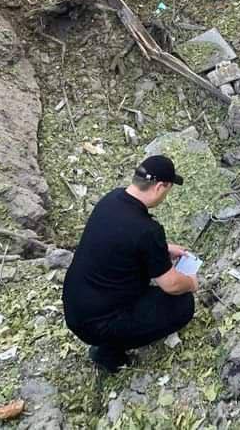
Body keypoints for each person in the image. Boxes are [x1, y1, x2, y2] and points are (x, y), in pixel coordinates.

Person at [63, 155, 198, 373]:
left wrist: (162, 249)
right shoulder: (147, 230)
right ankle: (108, 353)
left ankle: (109, 339)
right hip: (99, 323)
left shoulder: (112, 199)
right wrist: (191, 282)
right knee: (183, 304)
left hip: (76, 307)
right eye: (168, 190)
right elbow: (171, 284)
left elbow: (123, 240)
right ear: (160, 187)